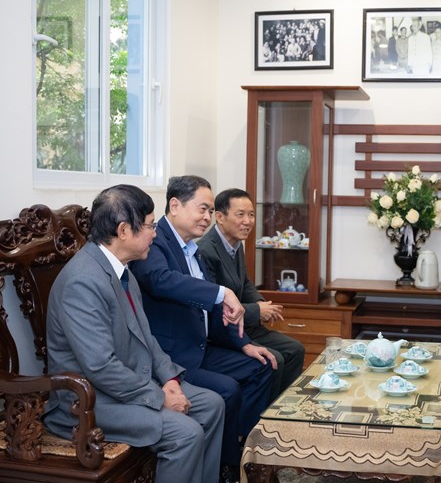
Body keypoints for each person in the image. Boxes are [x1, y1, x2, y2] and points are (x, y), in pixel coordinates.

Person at [45, 184, 225, 483]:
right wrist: (158, 397)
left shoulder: (121, 268)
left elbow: (146, 337)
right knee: (185, 433)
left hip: (130, 383)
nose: (155, 233)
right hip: (89, 401)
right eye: (151, 225)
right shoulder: (83, 282)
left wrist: (169, 379)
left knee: (212, 405)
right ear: (124, 230)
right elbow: (100, 366)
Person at [130, 175, 277, 480]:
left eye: (211, 211)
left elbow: (216, 311)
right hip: (173, 355)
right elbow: (160, 280)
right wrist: (221, 292)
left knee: (263, 365)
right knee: (227, 390)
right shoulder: (155, 240)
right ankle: (228, 465)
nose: (208, 217)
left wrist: (244, 344)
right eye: (203, 209)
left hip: (201, 345)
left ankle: (243, 447)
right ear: (175, 205)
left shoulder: (192, 248)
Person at [198, 188, 305, 400]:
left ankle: (282, 406)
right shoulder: (206, 251)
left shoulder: (235, 244)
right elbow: (214, 307)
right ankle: (262, 414)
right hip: (223, 332)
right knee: (274, 359)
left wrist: (262, 305)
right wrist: (257, 311)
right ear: (220, 217)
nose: (248, 221)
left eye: (251, 214)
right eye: (240, 215)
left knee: (295, 350)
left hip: (245, 324)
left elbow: (245, 283)